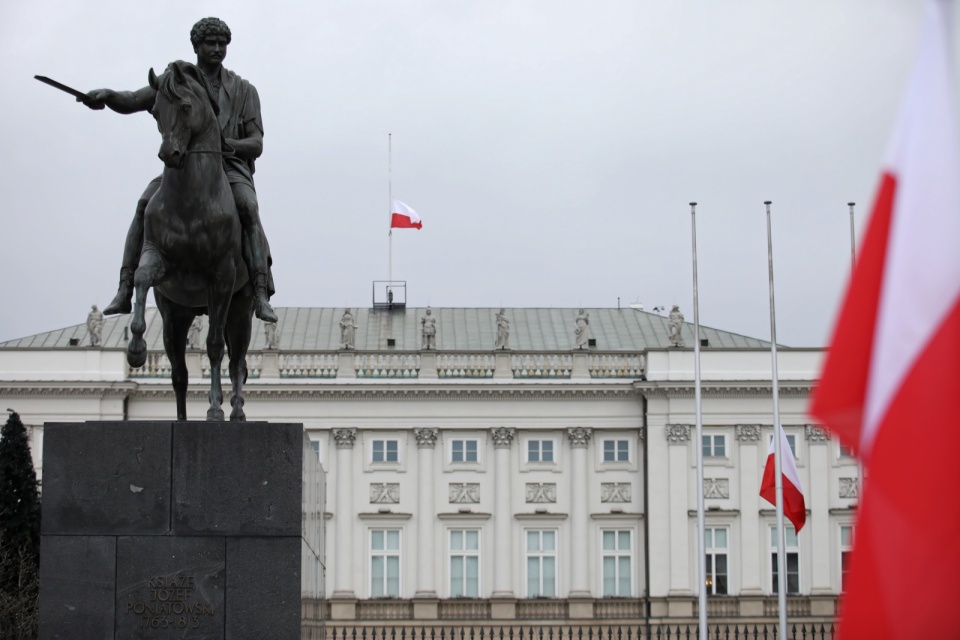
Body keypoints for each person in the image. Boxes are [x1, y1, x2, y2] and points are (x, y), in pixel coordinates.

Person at [82, 17, 277, 323]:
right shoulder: (176, 82)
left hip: (229, 168)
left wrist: (227, 144)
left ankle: (260, 290)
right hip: (182, 168)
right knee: (144, 204)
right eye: (210, 43)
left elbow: (256, 143)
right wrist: (106, 96)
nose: (217, 49)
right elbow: (133, 99)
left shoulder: (244, 90)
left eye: (222, 44)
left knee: (248, 207)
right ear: (196, 46)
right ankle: (124, 289)